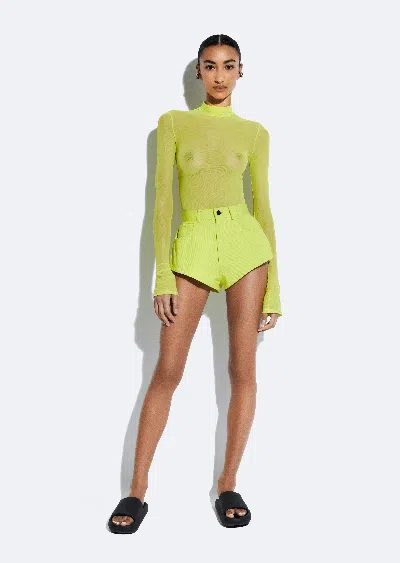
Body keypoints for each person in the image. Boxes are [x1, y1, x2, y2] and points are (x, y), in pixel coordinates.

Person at [108, 33, 283, 533]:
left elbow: (264, 208)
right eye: (210, 66)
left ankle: (228, 484)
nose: (219, 75)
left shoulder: (254, 132)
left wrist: (274, 288)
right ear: (199, 72)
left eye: (229, 65)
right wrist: (162, 275)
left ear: (241, 71)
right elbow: (162, 204)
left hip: (247, 247)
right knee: (167, 369)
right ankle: (136, 491)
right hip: (194, 244)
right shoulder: (173, 123)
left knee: (242, 370)